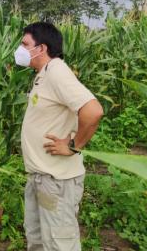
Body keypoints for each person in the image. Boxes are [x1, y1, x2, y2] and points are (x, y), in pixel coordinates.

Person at [15, 22, 103, 251]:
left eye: (25, 44)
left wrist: (74, 146)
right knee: (37, 239)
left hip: (57, 180)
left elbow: (93, 111)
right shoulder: (43, 74)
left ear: (41, 48)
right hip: (41, 177)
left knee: (59, 245)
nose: (20, 49)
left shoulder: (57, 72)